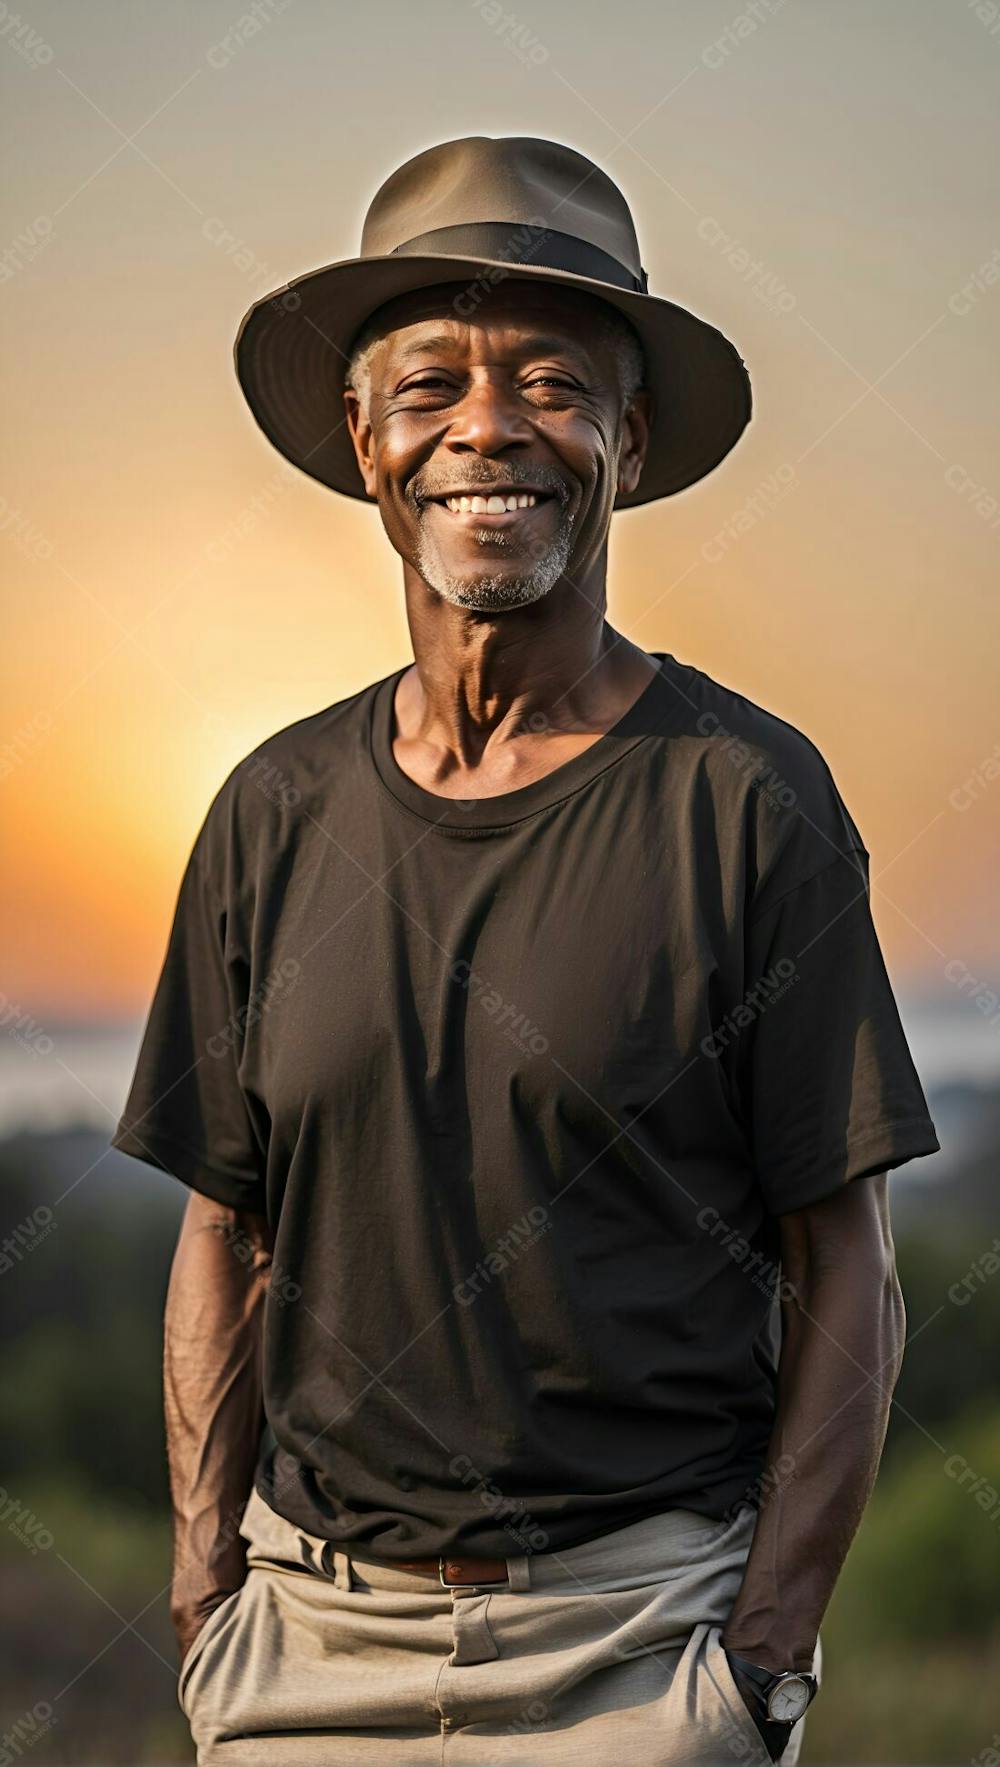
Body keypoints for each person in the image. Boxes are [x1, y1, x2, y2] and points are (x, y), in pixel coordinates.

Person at [111, 135, 940, 1765]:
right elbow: (224, 1235)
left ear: (627, 437)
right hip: (303, 1660)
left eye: (552, 381)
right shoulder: (269, 813)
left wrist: (756, 1668)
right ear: (367, 440)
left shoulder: (747, 799)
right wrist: (213, 1610)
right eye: (431, 383)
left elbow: (846, 1267)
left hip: (637, 1657)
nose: (489, 427)